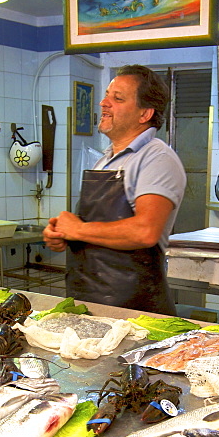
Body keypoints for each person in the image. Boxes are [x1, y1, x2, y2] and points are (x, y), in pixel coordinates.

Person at [43, 64, 185, 315]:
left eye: (117, 98)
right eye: (107, 95)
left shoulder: (156, 157)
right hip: (89, 302)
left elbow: (145, 231)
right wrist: (64, 234)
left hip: (134, 311)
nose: (103, 103)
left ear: (144, 114)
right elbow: (97, 228)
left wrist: (79, 229)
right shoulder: (106, 159)